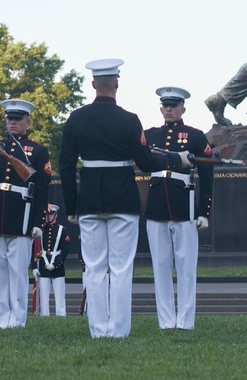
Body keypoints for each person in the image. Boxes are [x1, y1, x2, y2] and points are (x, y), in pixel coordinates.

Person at [58, 58, 192, 338]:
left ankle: (98, 330)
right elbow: (145, 162)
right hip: (123, 199)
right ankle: (118, 331)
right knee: (120, 268)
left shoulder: (76, 118)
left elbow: (66, 166)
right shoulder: (129, 120)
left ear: (94, 84)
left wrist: (72, 206)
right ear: (116, 84)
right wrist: (175, 161)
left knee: (94, 269)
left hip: (90, 200)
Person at [0, 98, 50, 329]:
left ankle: (17, 320)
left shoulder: (38, 150)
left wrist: (38, 221)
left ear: (27, 122)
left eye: (18, 119)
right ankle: (0, 320)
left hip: (21, 214)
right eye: (10, 119)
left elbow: (42, 188)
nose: (13, 123)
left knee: (17, 273)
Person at [144, 86, 214, 329]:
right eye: (165, 105)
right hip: (156, 205)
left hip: (184, 205)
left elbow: (207, 176)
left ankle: (185, 321)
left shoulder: (195, 136)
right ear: (160, 108)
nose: (169, 109)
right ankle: (165, 321)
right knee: (160, 267)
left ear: (183, 108)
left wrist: (204, 211)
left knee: (186, 268)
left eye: (174, 105)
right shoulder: (148, 135)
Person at [33, 204, 70, 317]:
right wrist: (34, 266)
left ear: (56, 215)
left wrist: (56, 264)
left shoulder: (62, 230)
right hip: (44, 265)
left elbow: (64, 251)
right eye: (47, 215)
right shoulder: (41, 230)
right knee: (43, 297)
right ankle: (45, 317)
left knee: (59, 297)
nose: (49, 217)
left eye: (51, 214)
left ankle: (61, 317)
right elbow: (35, 248)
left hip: (57, 267)